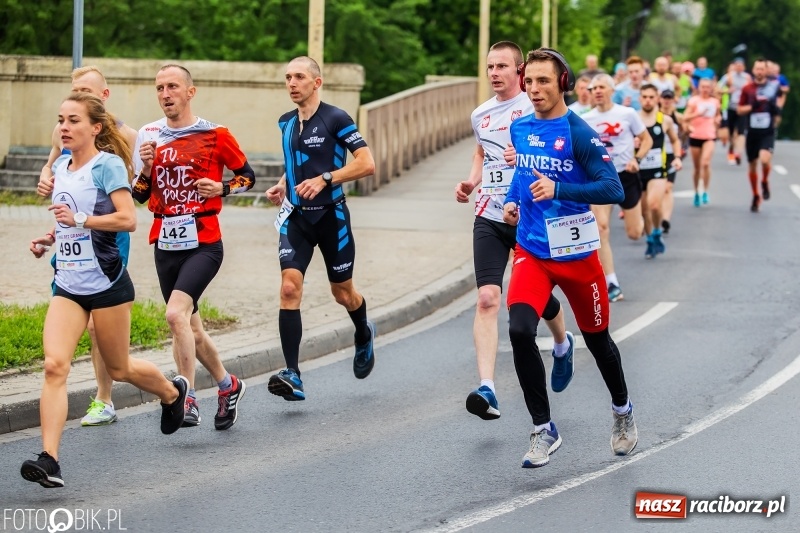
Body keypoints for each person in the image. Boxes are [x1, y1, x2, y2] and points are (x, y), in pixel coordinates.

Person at [22, 92, 188, 488]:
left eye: (73, 120)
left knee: (119, 368)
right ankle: (49, 459)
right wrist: (50, 238)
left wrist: (79, 220)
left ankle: (171, 393)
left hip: (107, 282)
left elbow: (127, 219)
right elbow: (67, 218)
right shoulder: (61, 166)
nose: (64, 127)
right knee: (54, 366)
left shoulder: (107, 165)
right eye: (61, 120)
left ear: (95, 127)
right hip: (68, 284)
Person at [502, 48, 638, 468]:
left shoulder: (579, 132)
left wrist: (559, 189)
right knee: (520, 329)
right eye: (528, 81)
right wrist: (511, 202)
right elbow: (523, 175)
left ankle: (622, 411)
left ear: (563, 83)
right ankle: (543, 428)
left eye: (543, 81)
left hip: (577, 254)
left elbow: (612, 189)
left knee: (598, 341)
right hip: (532, 250)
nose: (534, 89)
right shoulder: (520, 127)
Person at [454, 41, 573, 421]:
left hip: (529, 215)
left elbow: (562, 153)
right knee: (487, 297)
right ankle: (487, 388)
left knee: (533, 299)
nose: (494, 73)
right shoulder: (480, 114)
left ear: (520, 71)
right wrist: (472, 181)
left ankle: (562, 342)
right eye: (490, 66)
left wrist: (523, 156)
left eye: (502, 66)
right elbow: (481, 151)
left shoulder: (535, 107)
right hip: (490, 213)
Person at [132, 64, 251, 430]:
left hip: (204, 243)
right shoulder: (150, 135)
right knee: (189, 328)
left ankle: (187, 397)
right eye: (159, 88)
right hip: (165, 243)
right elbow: (139, 195)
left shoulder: (215, 134)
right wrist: (147, 169)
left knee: (174, 315)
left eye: (172, 86)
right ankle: (228, 385)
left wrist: (222, 188)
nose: (165, 94)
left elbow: (247, 176)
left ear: (190, 92)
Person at [265, 56, 376, 401]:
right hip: (296, 218)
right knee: (288, 288)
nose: (292, 83)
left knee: (343, 293)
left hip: (331, 217)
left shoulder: (336, 118)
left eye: (299, 76)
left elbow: (366, 163)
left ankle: (363, 331)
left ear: (317, 82)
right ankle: (293, 374)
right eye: (288, 77)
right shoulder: (285, 122)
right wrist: (283, 184)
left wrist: (326, 178)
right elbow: (295, 161)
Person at [36, 66, 139, 427]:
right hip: (70, 236)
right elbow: (51, 170)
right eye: (75, 89)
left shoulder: (126, 135)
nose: (78, 95)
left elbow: (135, 193)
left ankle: (104, 398)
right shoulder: (63, 130)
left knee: (99, 327)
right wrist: (46, 180)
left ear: (104, 96)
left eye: (86, 91)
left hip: (106, 236)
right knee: (62, 339)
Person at [583, 73, 653, 302]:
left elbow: (647, 139)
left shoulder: (627, 114)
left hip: (626, 175)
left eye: (602, 87)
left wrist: (637, 159)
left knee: (634, 233)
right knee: (601, 228)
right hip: (600, 177)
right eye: (594, 88)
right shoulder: (585, 119)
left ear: (612, 90)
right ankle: (611, 282)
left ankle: (644, 220)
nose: (597, 91)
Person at [638, 84, 682, 258]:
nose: (648, 100)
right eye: (644, 97)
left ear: (657, 99)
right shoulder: (633, 119)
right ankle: (650, 239)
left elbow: (675, 140)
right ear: (640, 99)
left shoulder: (665, 120)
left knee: (654, 205)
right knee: (644, 211)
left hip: (658, 169)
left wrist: (677, 157)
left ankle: (657, 231)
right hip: (639, 170)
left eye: (651, 97)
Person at [738, 58, 783, 212]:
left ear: (766, 71)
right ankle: (756, 194)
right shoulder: (747, 89)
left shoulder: (773, 87)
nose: (759, 72)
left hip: (767, 131)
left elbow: (780, 101)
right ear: (753, 70)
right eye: (757, 69)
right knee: (752, 164)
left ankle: (764, 181)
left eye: (762, 69)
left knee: (764, 159)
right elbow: (739, 110)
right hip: (752, 131)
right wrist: (751, 106)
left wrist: (776, 110)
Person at [683, 77, 721, 207]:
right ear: (699, 88)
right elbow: (685, 117)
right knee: (697, 167)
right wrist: (697, 114)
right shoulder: (693, 101)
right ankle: (696, 192)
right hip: (695, 135)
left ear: (711, 88)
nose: (705, 89)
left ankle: (705, 190)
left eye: (707, 87)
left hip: (709, 135)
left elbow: (717, 115)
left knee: (705, 163)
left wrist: (718, 120)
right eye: (703, 87)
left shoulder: (715, 102)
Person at [658, 89, 684, 234]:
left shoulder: (678, 116)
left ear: (674, 100)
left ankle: (665, 219)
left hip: (671, 156)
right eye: (665, 98)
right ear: (660, 99)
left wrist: (679, 154)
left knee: (668, 187)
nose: (667, 101)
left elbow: (682, 134)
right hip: (657, 155)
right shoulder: (655, 116)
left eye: (669, 98)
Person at [718, 58, 751, 165]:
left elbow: (753, 90)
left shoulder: (747, 77)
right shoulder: (728, 77)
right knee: (731, 132)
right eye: (737, 65)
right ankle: (732, 148)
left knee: (741, 131)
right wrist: (727, 90)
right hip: (731, 107)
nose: (739, 67)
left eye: (741, 65)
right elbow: (717, 89)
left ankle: (738, 153)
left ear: (744, 67)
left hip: (742, 108)